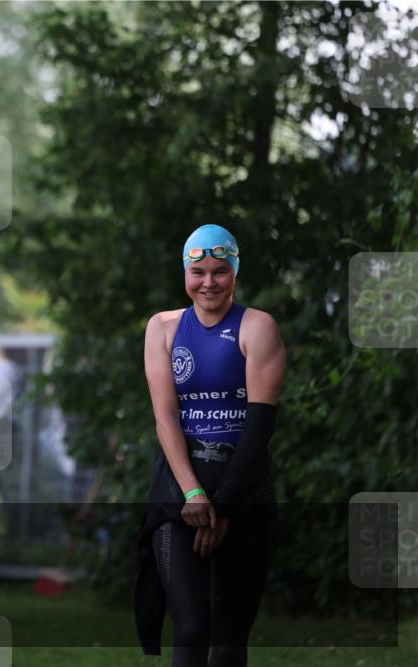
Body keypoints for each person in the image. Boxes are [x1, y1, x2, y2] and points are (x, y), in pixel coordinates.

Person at [135, 224, 286, 666]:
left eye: (220, 271)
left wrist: (225, 505)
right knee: (193, 628)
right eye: (198, 271)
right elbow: (165, 417)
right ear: (185, 273)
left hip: (244, 493)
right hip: (179, 494)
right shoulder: (163, 328)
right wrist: (195, 494)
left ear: (235, 273)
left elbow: (259, 426)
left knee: (228, 638)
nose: (208, 282)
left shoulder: (257, 327)